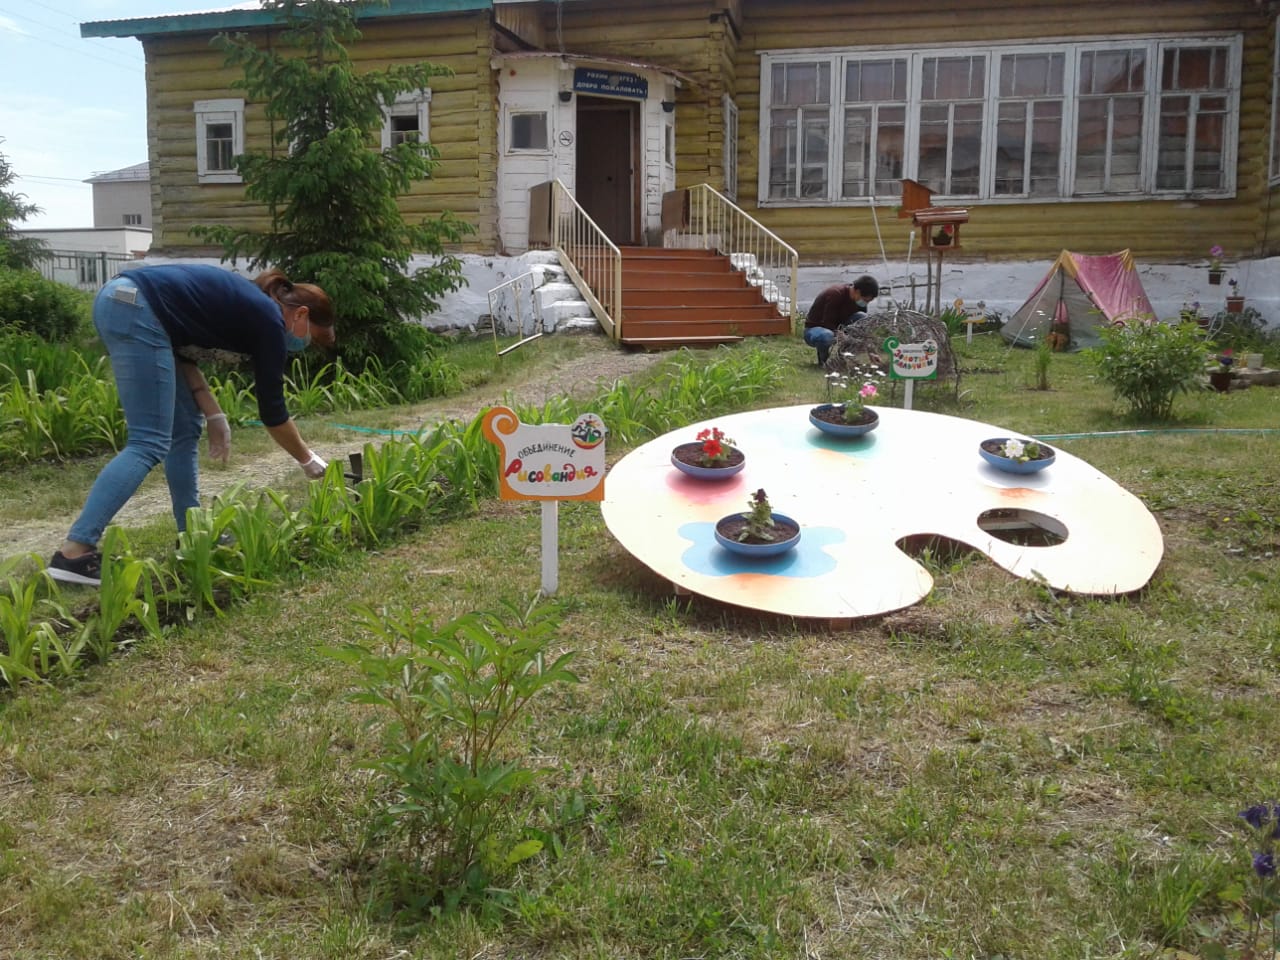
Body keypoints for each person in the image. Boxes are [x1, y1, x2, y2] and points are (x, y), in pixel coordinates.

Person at [47, 264, 336, 587]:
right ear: (301, 314)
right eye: (312, 337)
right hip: (136, 307)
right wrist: (308, 459)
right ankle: (74, 553)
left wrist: (213, 414)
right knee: (149, 441)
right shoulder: (269, 319)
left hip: (129, 303)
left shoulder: (249, 305)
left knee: (184, 429)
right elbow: (273, 411)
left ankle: (192, 534)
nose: (305, 344)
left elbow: (182, 348)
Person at [802, 275, 880, 366]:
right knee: (826, 335)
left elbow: (862, 332)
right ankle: (824, 361)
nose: (865, 303)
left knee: (863, 318)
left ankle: (842, 357)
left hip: (838, 328)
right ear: (858, 292)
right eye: (865, 300)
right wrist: (842, 336)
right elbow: (827, 323)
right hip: (815, 329)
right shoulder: (835, 294)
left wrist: (871, 352)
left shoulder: (859, 303)